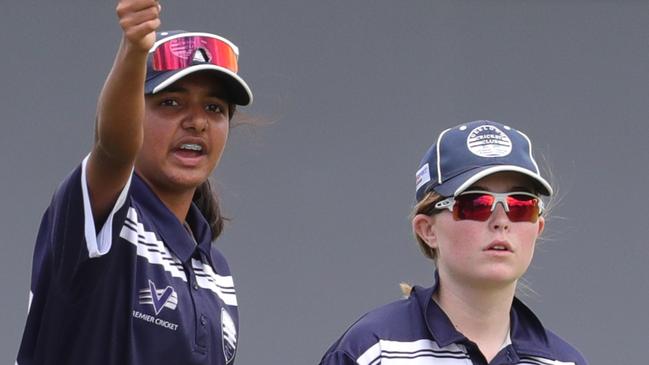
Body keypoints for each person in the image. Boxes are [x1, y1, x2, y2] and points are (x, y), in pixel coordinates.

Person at [17, 1, 253, 364]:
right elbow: (113, 148)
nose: (197, 122)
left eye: (214, 108)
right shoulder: (103, 217)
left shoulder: (216, 272)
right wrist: (134, 48)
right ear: (132, 111)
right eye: (171, 102)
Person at [319, 120, 588, 365]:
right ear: (427, 230)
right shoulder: (372, 351)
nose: (501, 221)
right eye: (475, 204)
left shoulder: (564, 363)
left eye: (521, 206)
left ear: (538, 228)